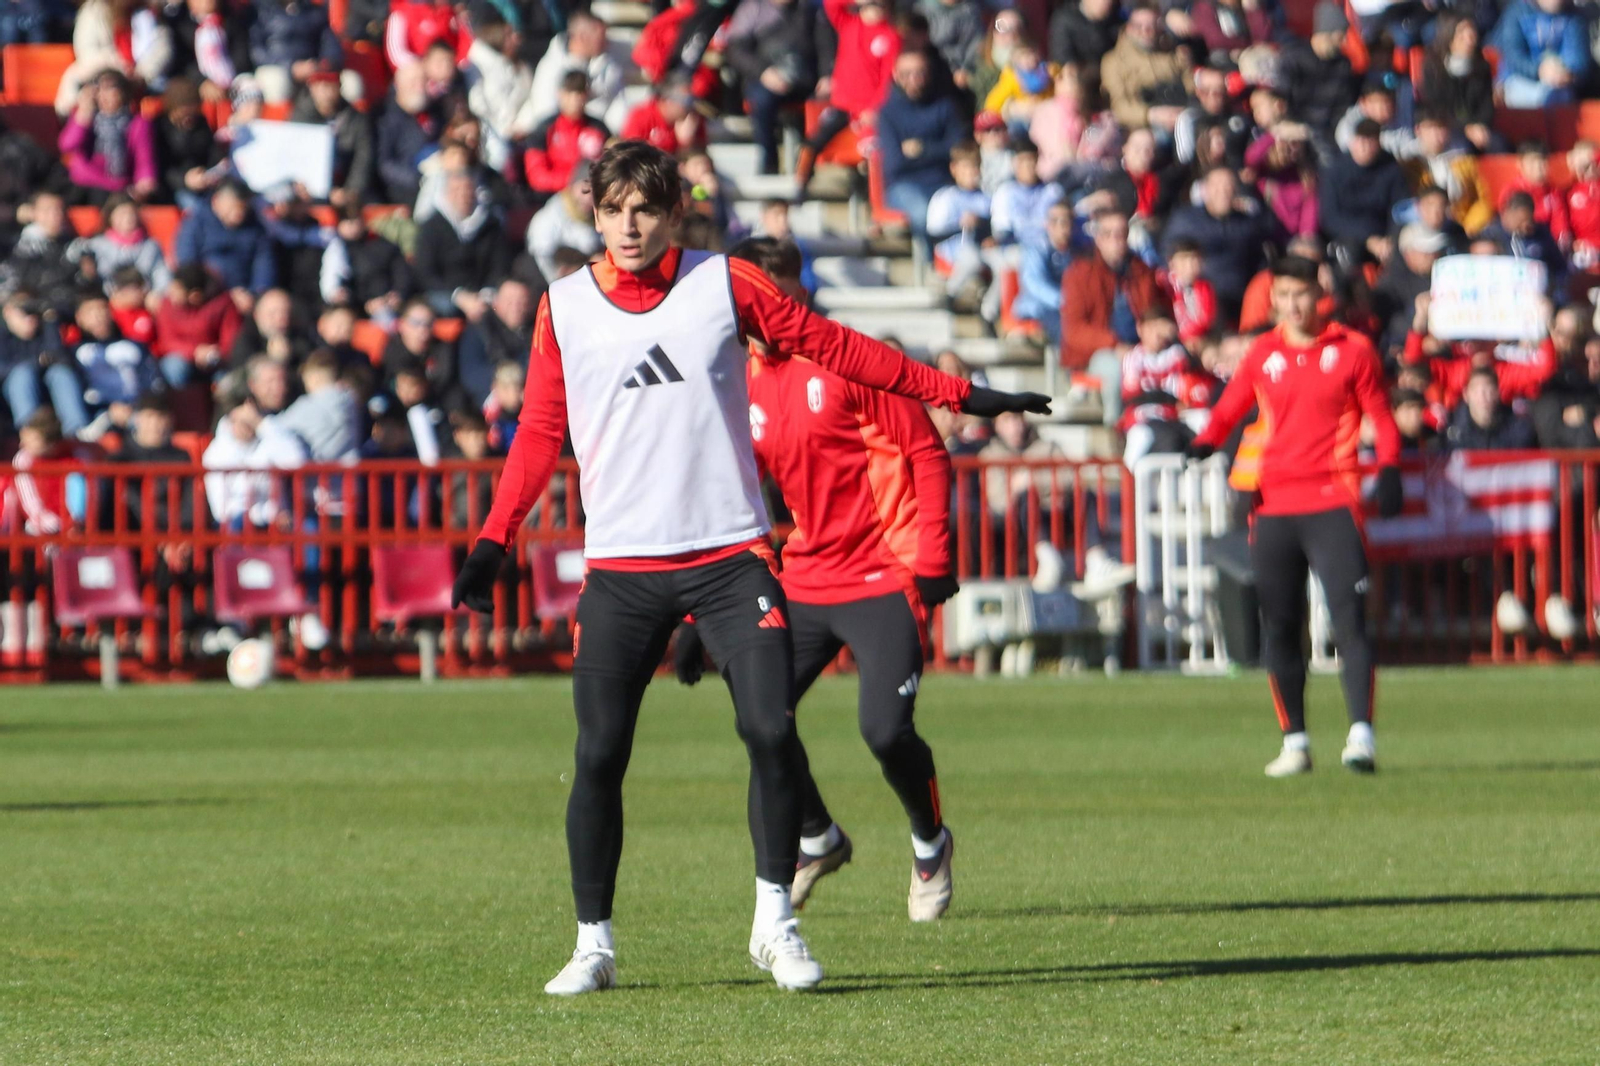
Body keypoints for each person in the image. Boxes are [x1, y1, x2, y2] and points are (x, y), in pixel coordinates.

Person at [447, 140, 1047, 997]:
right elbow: (541, 432)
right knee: (600, 755)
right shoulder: (564, 307)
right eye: (613, 207)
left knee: (769, 730)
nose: (628, 224)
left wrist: (955, 393)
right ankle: (593, 944)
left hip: (733, 560)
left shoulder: (726, 282)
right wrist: (493, 541)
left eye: (645, 209)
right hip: (621, 569)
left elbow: (836, 346)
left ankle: (776, 925)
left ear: (675, 213)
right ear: (592, 209)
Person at [672, 236, 958, 920]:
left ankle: (930, 842)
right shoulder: (742, 379)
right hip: (803, 578)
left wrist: (936, 558)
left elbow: (926, 449)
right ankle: (815, 838)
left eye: (764, 294)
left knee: (885, 731)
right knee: (759, 718)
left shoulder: (851, 360)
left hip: (881, 574)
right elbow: (728, 497)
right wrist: (689, 615)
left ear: (792, 292)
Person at [1186, 256, 1403, 777]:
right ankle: (1295, 741)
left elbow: (1381, 417)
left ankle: (1361, 736)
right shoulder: (1263, 352)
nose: (1293, 304)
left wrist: (1391, 468)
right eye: (1283, 295)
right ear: (1274, 298)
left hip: (1334, 500)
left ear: (1319, 294)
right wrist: (1204, 441)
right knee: (1280, 626)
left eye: (1301, 294)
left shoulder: (1352, 350)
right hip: (1273, 506)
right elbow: (1231, 406)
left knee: (1349, 619)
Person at [1062, 206, 1157, 424]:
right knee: (1117, 370)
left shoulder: (1140, 271)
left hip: (1140, 345)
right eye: (1108, 234)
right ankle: (1116, 427)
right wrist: (1114, 344)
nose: (1116, 240)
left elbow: (1153, 312)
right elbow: (1074, 331)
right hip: (1098, 353)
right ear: (1098, 238)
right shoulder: (1080, 273)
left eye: (1121, 233)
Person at [795, 0, 901, 195]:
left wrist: (875, 108)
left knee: (874, 155)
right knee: (813, 143)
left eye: (881, 4)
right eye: (873, 3)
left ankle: (877, 207)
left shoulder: (890, 36)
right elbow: (830, 5)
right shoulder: (848, 24)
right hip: (842, 105)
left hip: (869, 111)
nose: (878, 8)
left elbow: (887, 80)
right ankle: (800, 185)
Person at [876, 50, 963, 248]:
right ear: (896, 75)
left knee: (964, 212)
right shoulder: (888, 112)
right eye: (907, 74)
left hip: (944, 182)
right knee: (924, 215)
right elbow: (895, 164)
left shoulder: (945, 106)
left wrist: (923, 150)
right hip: (904, 186)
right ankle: (932, 266)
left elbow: (958, 149)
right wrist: (941, 152)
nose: (914, 80)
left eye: (920, 73)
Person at [724, 0, 822, 175]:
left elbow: (826, 45)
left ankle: (808, 163)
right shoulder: (753, 9)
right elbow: (736, 50)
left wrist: (827, 74)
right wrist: (763, 72)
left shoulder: (810, 9)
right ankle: (769, 161)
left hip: (806, 80)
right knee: (761, 100)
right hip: (765, 79)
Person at [414, 168, 512, 320]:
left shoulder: (490, 225)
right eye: (457, 190)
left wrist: (485, 295)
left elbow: (499, 265)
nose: (463, 195)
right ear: (447, 193)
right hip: (445, 295)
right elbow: (425, 272)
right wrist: (459, 296)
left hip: (483, 294)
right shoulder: (431, 227)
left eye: (468, 189)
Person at [174, 179, 276, 312]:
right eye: (234, 207)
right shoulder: (196, 223)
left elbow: (264, 268)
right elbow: (187, 264)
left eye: (243, 208)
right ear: (216, 201)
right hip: (206, 295)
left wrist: (253, 294)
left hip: (245, 298)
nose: (239, 214)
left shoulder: (257, 229)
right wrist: (225, 294)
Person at [58, 70, 157, 203]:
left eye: (110, 89)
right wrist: (84, 114)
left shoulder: (137, 123)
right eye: (99, 89)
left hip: (116, 186)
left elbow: (144, 158)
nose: (104, 95)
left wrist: (145, 183)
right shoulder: (84, 116)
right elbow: (68, 145)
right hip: (84, 184)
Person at [0, 290, 87, 435]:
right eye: (24, 311)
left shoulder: (45, 331)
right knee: (23, 374)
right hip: (11, 395)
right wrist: (36, 363)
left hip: (48, 390)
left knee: (60, 373)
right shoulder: (2, 337)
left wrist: (50, 321)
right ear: (8, 312)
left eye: (34, 312)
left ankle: (76, 432)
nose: (31, 318)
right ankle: (29, 431)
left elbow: (61, 357)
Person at [1100, 2, 1190, 135]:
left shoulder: (1174, 54)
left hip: (1180, 119)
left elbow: (1192, 88)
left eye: (1152, 26)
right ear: (1129, 27)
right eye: (1139, 26)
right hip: (1140, 128)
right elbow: (1119, 108)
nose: (1146, 32)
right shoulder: (1113, 62)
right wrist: (1153, 115)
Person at [289, 71, 375, 207]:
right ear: (311, 88)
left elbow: (363, 158)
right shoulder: (298, 118)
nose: (325, 92)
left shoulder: (355, 119)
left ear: (339, 87)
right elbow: (292, 157)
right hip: (308, 191)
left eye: (330, 86)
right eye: (320, 86)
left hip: (344, 186)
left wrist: (351, 190)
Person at [1491, 0, 1590, 109]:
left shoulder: (1573, 16)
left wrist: (1566, 73)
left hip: (1560, 86)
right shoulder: (1517, 11)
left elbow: (1578, 59)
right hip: (1520, 81)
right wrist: (1539, 70)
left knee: (1562, 96)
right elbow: (1513, 55)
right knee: (1538, 97)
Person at [526, 162, 602, 282]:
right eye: (584, 190)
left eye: (596, 193)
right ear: (572, 186)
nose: (589, 198)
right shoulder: (550, 217)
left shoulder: (598, 218)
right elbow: (541, 257)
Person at [1013, 198, 1073, 342]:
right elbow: (1035, 284)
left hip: (1065, 307)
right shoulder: (1036, 250)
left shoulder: (1075, 252)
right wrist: (1066, 301)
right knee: (1064, 327)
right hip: (1035, 308)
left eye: (1066, 221)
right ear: (1047, 224)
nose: (1062, 227)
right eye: (1056, 221)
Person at [1445, 366, 1538, 449]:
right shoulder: (1451, 431)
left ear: (1498, 393)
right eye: (1476, 391)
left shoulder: (1519, 430)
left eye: (1489, 390)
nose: (1483, 396)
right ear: (1466, 395)